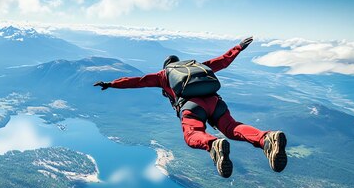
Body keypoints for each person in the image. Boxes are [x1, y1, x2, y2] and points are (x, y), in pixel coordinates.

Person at [93, 37, 287, 178]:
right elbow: (223, 61)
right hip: (215, 101)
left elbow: (136, 81)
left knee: (192, 134)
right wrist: (238, 47)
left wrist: (111, 84)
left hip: (193, 106)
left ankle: (213, 144)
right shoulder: (198, 66)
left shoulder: (163, 75)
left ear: (167, 66)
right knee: (232, 127)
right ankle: (265, 138)